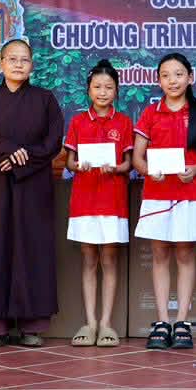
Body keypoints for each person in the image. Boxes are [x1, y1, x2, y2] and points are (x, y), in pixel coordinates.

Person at [0, 38, 64, 347]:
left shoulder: (45, 100)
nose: (18, 64)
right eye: (12, 59)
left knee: (31, 249)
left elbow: (52, 142)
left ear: (32, 65)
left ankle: (32, 326)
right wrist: (4, 150)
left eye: (24, 60)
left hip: (32, 186)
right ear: (1, 64)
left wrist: (21, 159)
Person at [133, 52, 196, 350]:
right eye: (166, 75)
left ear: (190, 78)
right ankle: (162, 322)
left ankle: (181, 321)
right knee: (159, 256)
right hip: (156, 194)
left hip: (188, 194)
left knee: (184, 255)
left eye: (179, 74)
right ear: (159, 81)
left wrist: (195, 170)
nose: (173, 80)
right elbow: (137, 158)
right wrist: (148, 171)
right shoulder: (150, 113)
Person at [63, 59, 133, 348]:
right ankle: (90, 323)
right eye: (97, 87)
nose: (102, 92)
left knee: (109, 259)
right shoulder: (78, 121)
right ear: (89, 90)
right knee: (89, 259)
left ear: (116, 91)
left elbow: (128, 163)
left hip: (113, 198)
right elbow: (69, 161)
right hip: (84, 198)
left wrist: (115, 168)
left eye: (108, 87)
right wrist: (78, 165)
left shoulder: (124, 122)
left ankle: (106, 324)